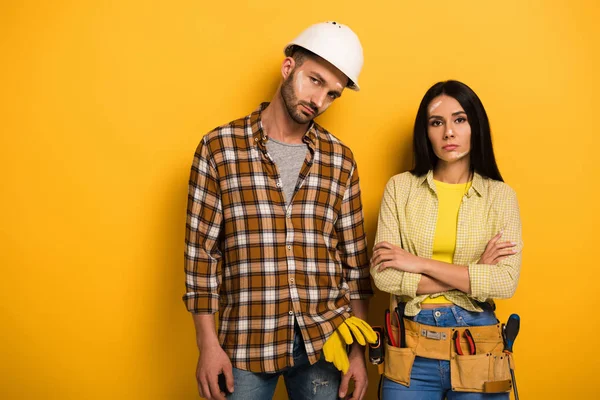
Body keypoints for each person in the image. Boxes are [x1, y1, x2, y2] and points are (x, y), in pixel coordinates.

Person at [183, 21, 375, 400]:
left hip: (325, 344)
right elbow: (201, 258)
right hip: (246, 343)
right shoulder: (219, 148)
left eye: (332, 94)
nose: (319, 100)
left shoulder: (340, 160)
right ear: (289, 68)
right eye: (314, 81)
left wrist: (358, 353)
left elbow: (355, 264)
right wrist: (207, 346)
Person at [370, 80, 523, 399]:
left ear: (475, 126)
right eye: (436, 122)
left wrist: (417, 263)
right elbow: (384, 275)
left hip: (478, 346)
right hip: (409, 348)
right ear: (425, 132)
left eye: (459, 119)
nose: (448, 132)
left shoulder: (501, 196)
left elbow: (505, 282)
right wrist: (474, 272)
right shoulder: (400, 189)